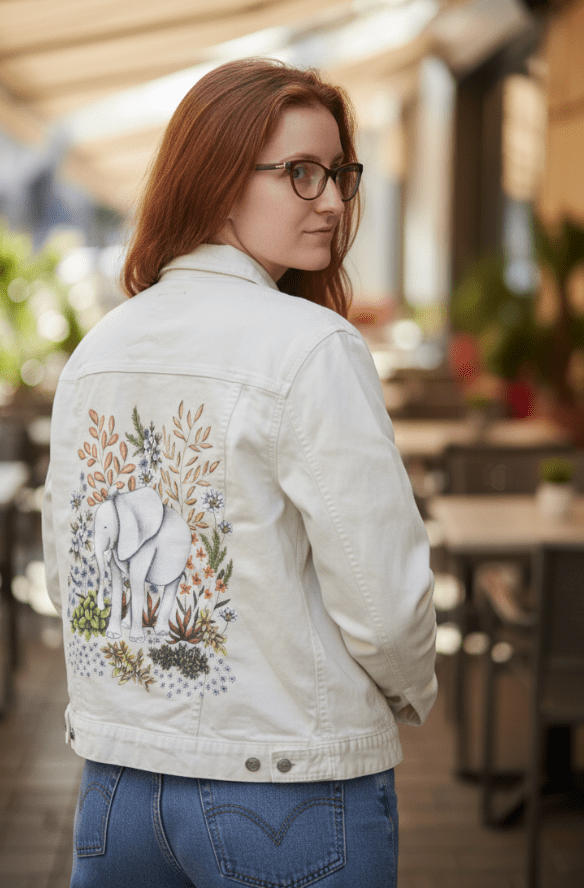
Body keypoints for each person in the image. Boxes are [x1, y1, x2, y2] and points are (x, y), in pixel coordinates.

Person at [42, 57, 437, 888]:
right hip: (289, 789)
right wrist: (403, 695)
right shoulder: (311, 346)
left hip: (118, 791)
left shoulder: (97, 351)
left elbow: (70, 572)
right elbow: (386, 602)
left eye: (338, 173)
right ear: (219, 180)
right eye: (300, 173)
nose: (331, 200)